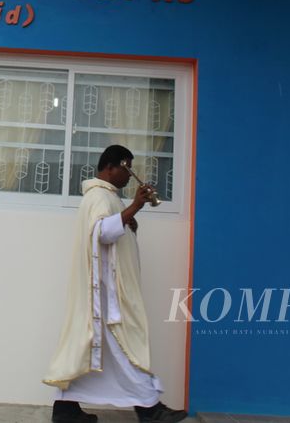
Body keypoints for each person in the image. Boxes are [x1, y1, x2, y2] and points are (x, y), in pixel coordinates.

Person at [44, 145, 187, 423]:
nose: (128, 175)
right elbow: (100, 233)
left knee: (90, 351)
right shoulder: (99, 196)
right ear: (111, 167)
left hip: (109, 291)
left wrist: (129, 218)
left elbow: (112, 230)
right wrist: (135, 206)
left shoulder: (106, 197)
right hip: (107, 296)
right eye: (126, 167)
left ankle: (65, 410)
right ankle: (150, 409)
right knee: (125, 350)